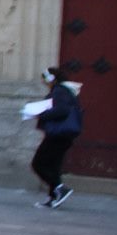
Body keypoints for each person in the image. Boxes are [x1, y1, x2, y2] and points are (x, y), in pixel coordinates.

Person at [32, 67, 83, 208]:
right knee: (53, 166)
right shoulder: (65, 90)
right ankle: (54, 197)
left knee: (38, 163)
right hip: (63, 135)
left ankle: (60, 188)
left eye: (45, 80)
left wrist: (41, 114)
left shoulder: (60, 91)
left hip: (58, 134)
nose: (44, 83)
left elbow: (61, 110)